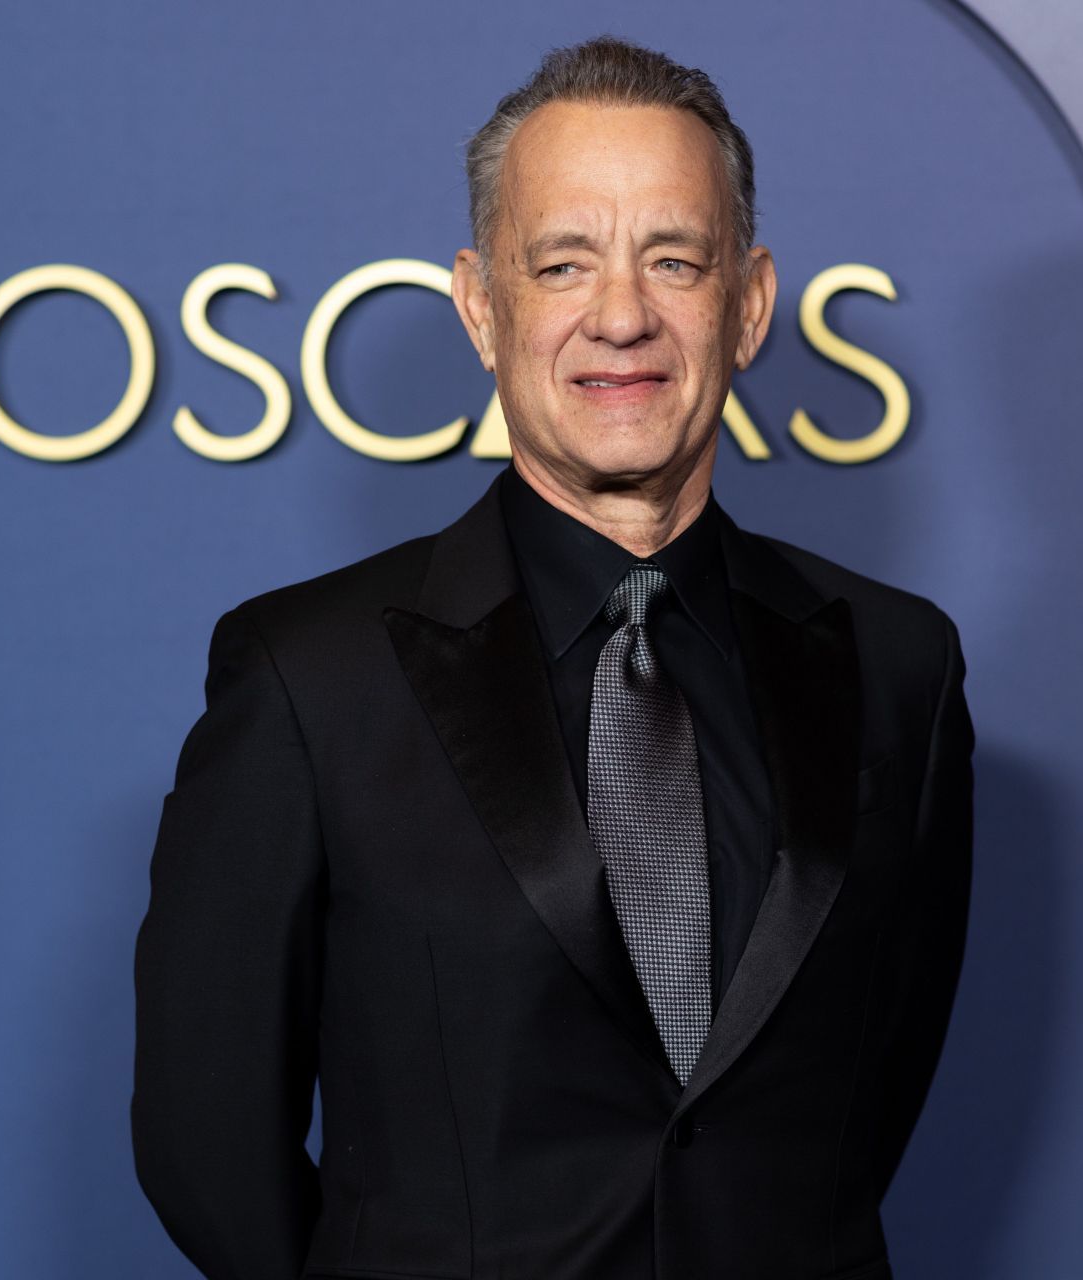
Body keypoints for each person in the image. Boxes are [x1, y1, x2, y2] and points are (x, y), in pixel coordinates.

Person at [132, 35, 972, 1280]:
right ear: (483, 305)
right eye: (563, 262)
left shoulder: (902, 665)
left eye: (673, 260)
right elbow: (206, 1141)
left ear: (747, 305)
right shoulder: (307, 679)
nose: (621, 315)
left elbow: (869, 1098)